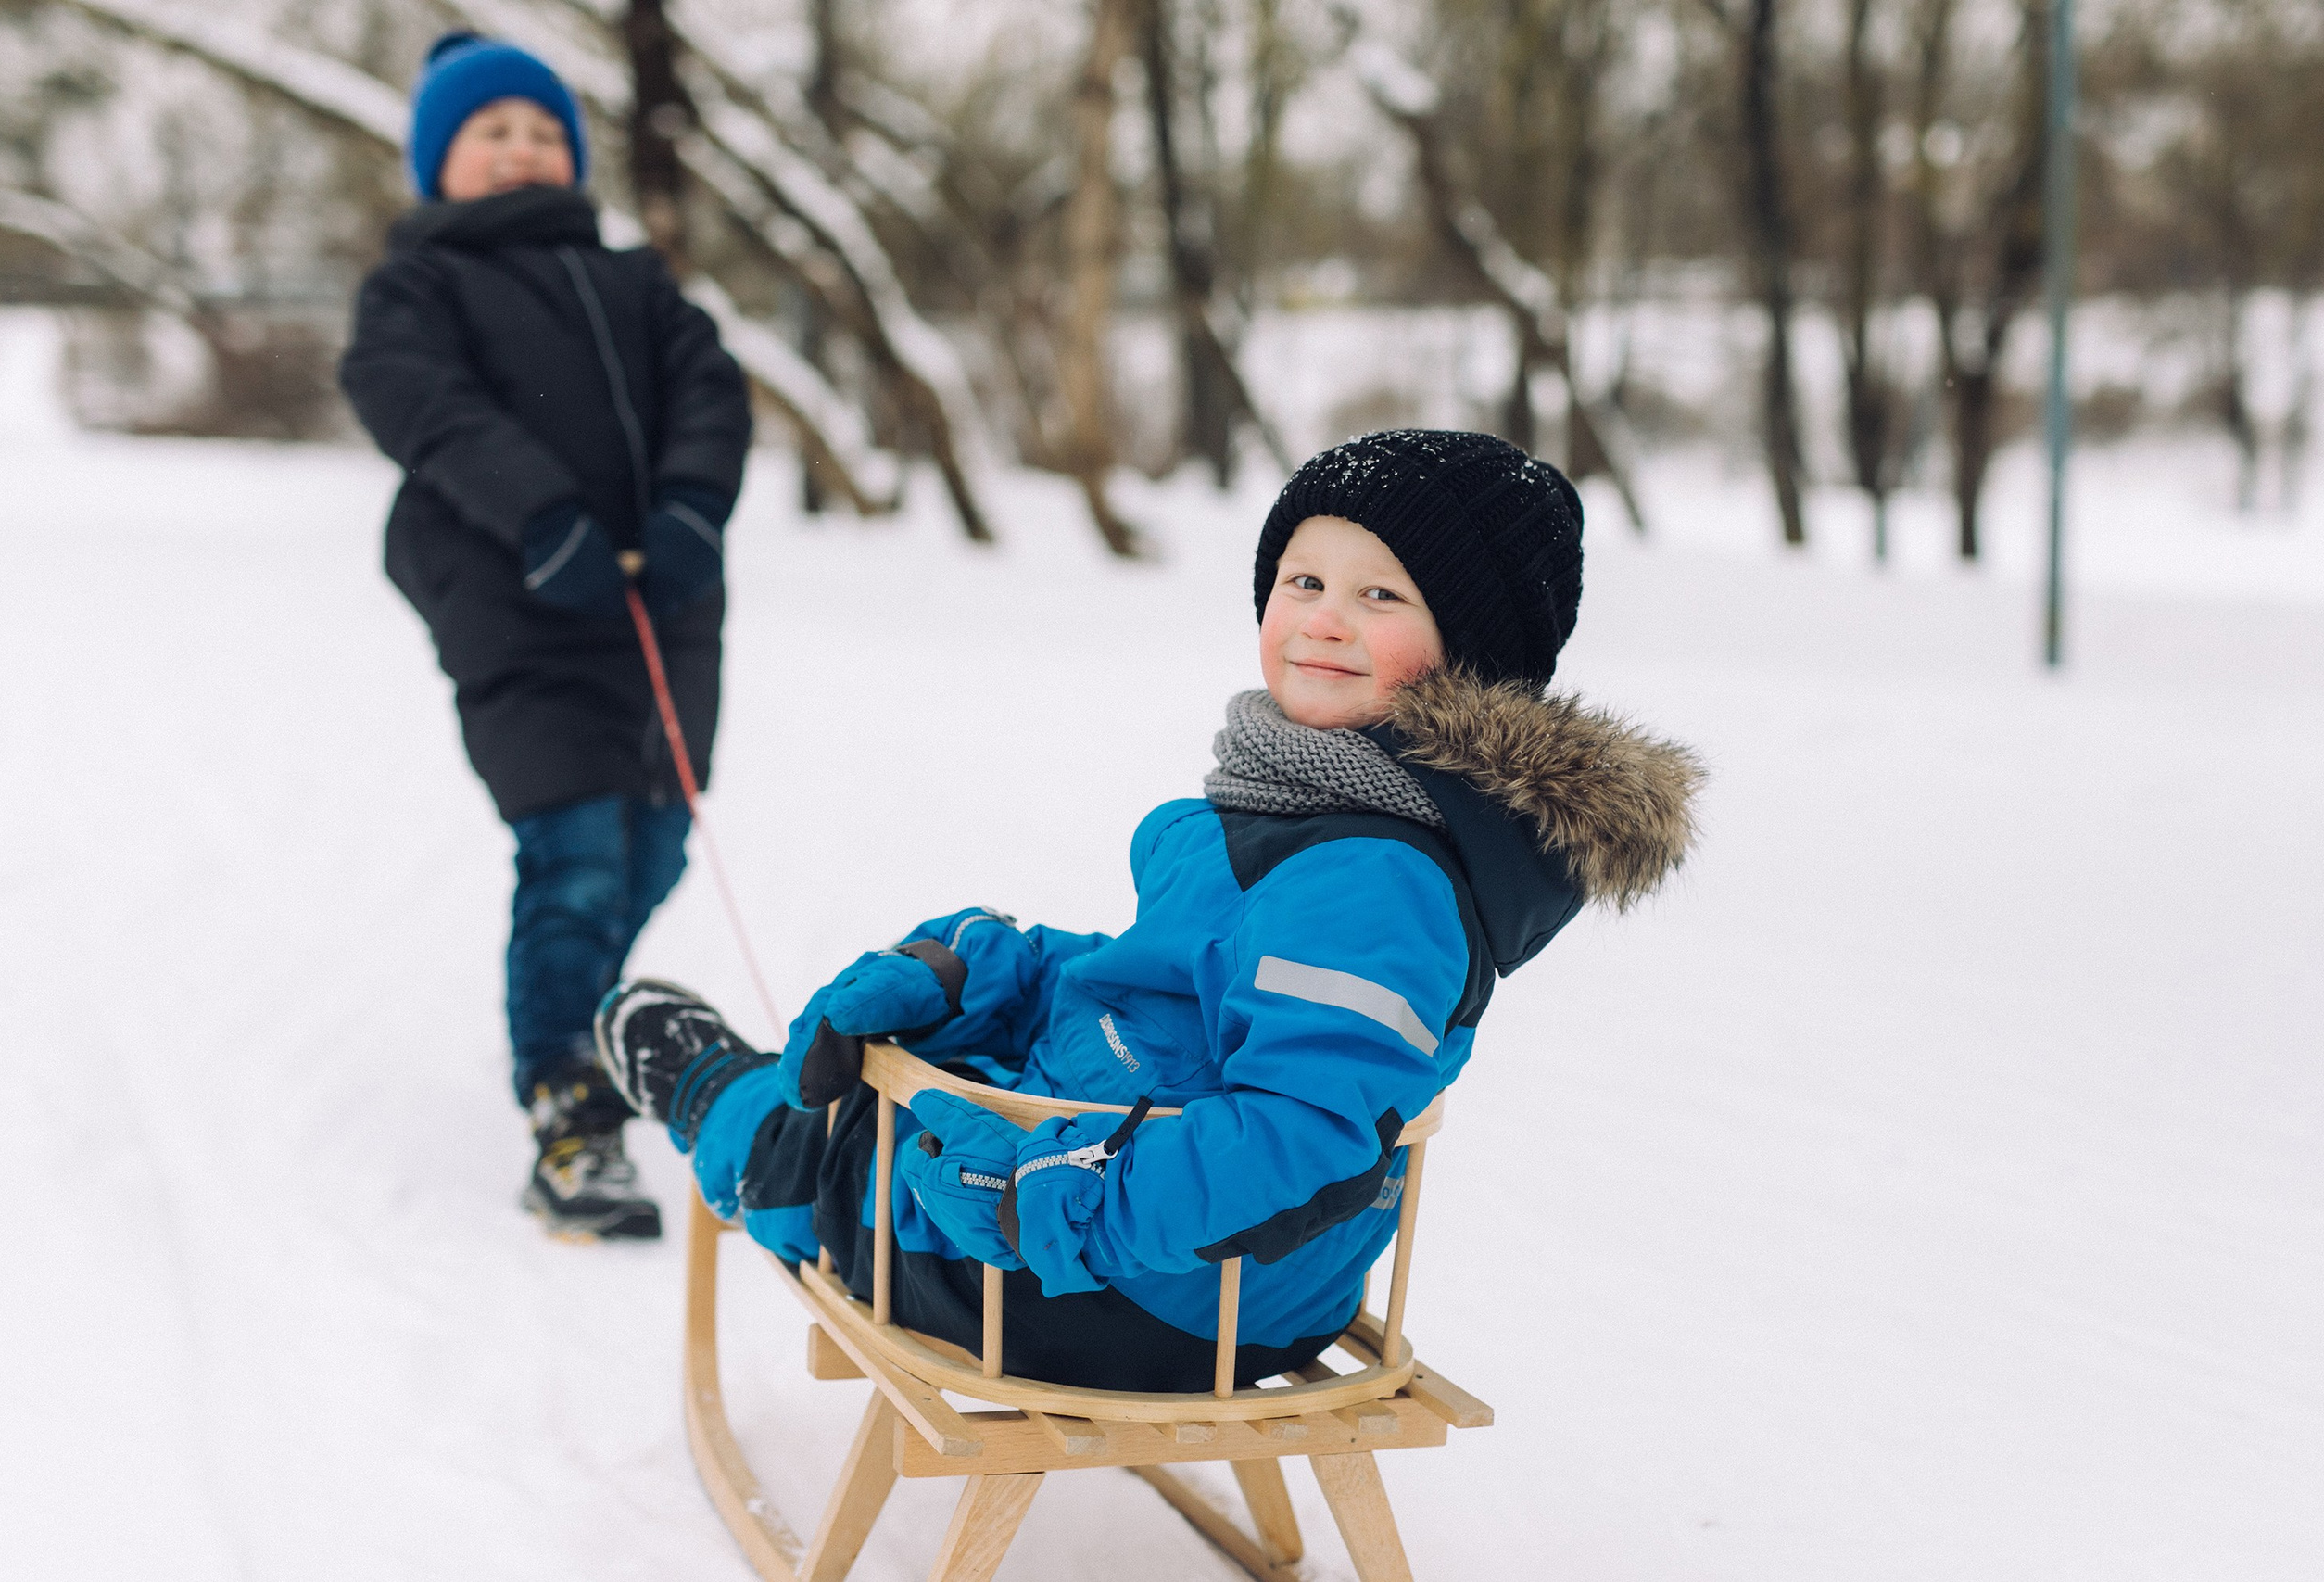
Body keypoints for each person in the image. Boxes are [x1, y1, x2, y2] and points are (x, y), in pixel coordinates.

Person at [598, 431, 1703, 1389]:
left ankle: (719, 1101)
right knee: (925, 1078)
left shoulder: (1374, 879)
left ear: (1474, 657)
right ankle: (817, 1101)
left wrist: (1059, 1205)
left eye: (1381, 596)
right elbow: (1176, 986)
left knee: (846, 1158)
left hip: (1151, 1290)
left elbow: (1304, 1140)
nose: (1324, 621)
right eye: (1303, 581)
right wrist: (993, 970)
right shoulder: (1306, 802)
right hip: (1171, 1242)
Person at [338, 33, 752, 1241]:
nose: (521, 149)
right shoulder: (420, 285)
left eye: (541, 131)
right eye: (492, 133)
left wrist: (690, 507)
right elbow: (418, 401)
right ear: (439, 160)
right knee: (574, 854)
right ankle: (570, 1102)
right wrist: (542, 513)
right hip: (520, 606)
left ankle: (569, 1014)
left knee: (655, 845)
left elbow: (712, 390)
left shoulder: (635, 281)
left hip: (663, 613)